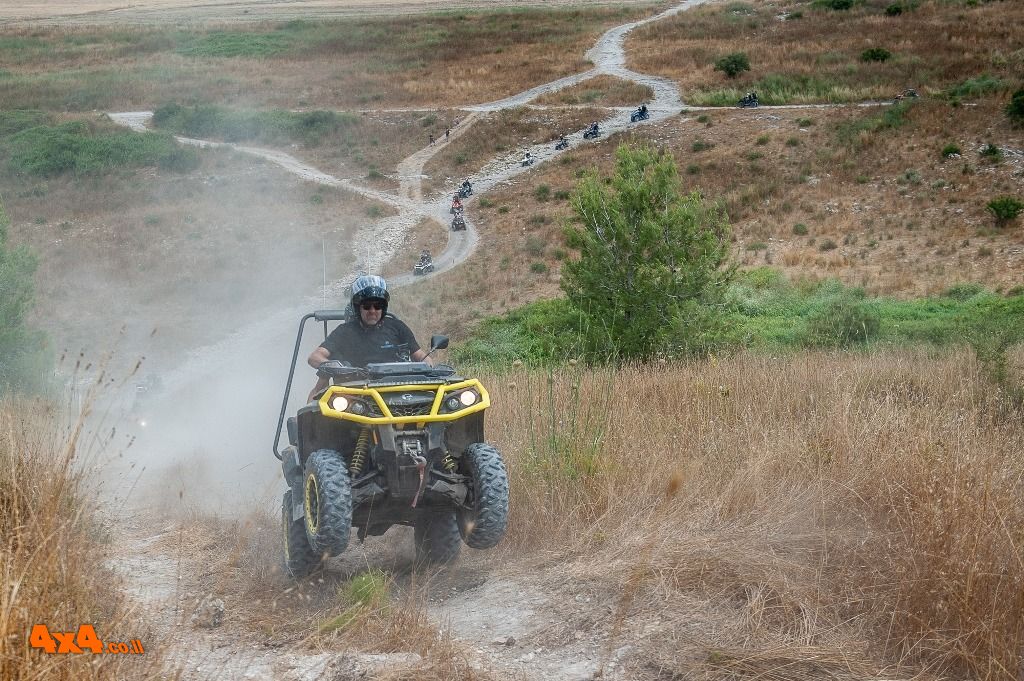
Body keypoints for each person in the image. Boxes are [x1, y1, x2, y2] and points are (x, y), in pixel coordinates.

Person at [306, 275, 428, 401]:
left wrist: (430, 370)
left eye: (378, 306)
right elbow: (314, 357)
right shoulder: (343, 332)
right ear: (357, 308)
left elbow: (422, 357)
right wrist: (339, 368)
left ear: (384, 307)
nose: (372, 310)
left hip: (398, 392)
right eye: (367, 306)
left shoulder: (397, 327)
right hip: (356, 396)